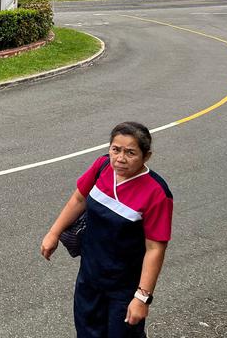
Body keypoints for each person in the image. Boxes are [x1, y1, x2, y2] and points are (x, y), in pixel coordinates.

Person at [40, 122, 173, 338]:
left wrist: (142, 298)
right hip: (89, 277)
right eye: (115, 149)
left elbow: (155, 248)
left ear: (146, 156)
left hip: (124, 287)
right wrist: (53, 233)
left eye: (130, 153)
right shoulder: (103, 166)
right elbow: (79, 198)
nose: (120, 158)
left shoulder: (156, 193)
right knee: (86, 333)